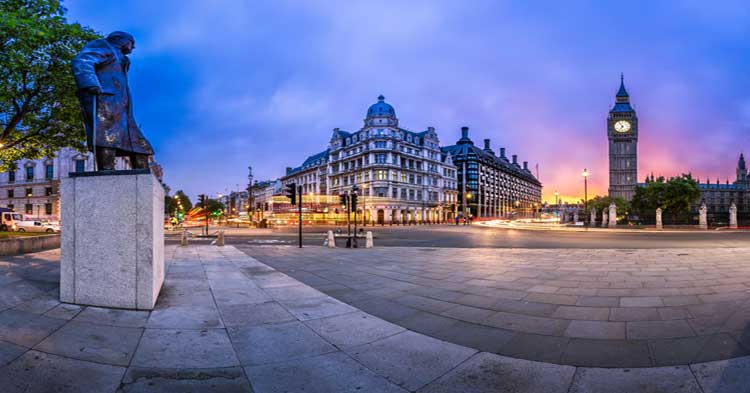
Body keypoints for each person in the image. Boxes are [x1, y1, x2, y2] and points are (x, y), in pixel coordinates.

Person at [72, 31, 154, 170]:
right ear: (121, 41)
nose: (133, 47)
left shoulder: (121, 58)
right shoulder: (104, 46)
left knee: (140, 146)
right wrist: (90, 83)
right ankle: (106, 173)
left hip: (122, 109)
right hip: (104, 101)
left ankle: (143, 182)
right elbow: (81, 61)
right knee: (105, 137)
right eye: (131, 43)